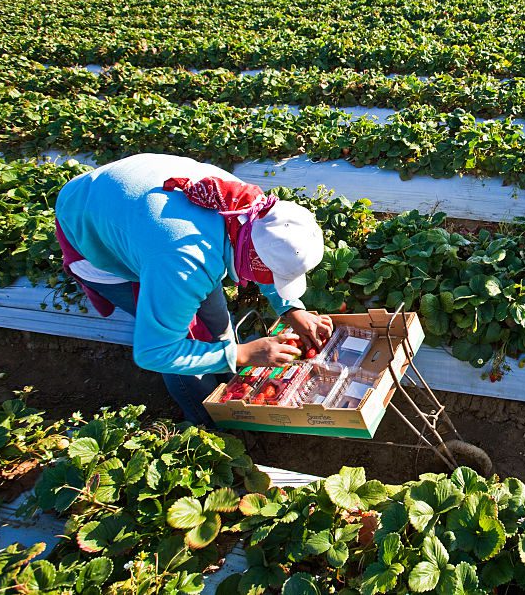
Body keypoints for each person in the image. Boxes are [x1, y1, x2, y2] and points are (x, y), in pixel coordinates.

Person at [54, 153, 333, 426]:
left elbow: (264, 254)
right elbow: (154, 351)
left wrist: (290, 308)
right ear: (252, 256)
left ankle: (227, 383)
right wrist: (241, 354)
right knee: (181, 336)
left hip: (135, 211)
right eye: (275, 276)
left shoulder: (247, 209)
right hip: (89, 223)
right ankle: (205, 421)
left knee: (215, 318)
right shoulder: (184, 261)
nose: (274, 280)